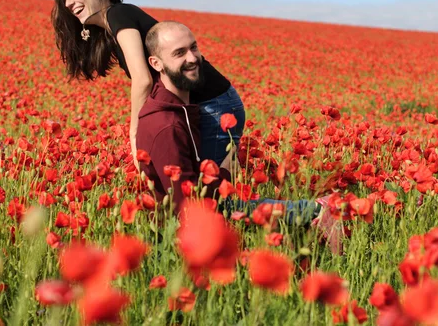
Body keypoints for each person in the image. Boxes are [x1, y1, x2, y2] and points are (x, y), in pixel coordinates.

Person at [136, 21, 342, 254]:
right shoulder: (167, 125)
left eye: (193, 47)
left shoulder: (178, 107)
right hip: (178, 236)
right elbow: (188, 207)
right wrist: (225, 173)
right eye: (179, 53)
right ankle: (316, 212)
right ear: (156, 63)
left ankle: (311, 218)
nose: (192, 58)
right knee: (228, 207)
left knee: (230, 205)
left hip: (188, 219)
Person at [51, 0, 245, 167]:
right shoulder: (111, 30)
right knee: (200, 189)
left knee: (214, 194)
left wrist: (135, 132)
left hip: (213, 106)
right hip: (203, 106)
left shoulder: (118, 14)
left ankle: (278, 203)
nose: (68, 3)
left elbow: (142, 79)